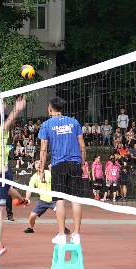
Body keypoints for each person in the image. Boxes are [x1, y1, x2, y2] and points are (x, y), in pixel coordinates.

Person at [38, 97, 86, 244]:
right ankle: (76, 234)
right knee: (75, 199)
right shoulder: (74, 122)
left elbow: (43, 149)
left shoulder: (46, 125)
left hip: (58, 165)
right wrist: (83, 164)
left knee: (59, 200)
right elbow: (82, 145)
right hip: (75, 163)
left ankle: (61, 234)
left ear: (50, 109)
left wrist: (41, 170)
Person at [0, 98, 25, 261]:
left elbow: (8, 121)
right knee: (8, 190)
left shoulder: (1, 130)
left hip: (2, 174)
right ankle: (22, 200)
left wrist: (16, 109)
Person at [22, 159, 53, 233]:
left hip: (53, 199)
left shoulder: (49, 173)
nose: (38, 164)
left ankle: (63, 228)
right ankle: (30, 228)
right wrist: (26, 199)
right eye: (36, 163)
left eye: (40, 163)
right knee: (32, 216)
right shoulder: (34, 178)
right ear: (34, 165)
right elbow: (29, 190)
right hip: (42, 200)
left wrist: (52, 170)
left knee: (60, 213)